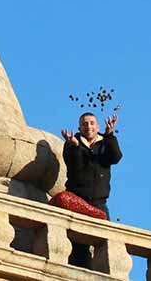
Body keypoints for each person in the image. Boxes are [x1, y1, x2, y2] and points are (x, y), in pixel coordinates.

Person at [61, 113, 123, 268]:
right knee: (78, 244)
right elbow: (73, 167)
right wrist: (75, 146)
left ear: (97, 126)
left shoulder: (104, 143)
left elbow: (116, 157)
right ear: (79, 128)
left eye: (91, 123)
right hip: (78, 201)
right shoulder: (72, 143)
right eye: (84, 124)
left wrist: (109, 135)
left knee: (105, 242)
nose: (88, 126)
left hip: (99, 202)